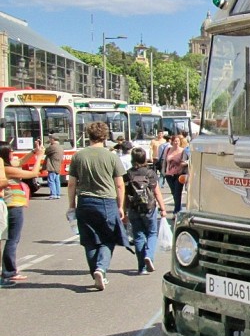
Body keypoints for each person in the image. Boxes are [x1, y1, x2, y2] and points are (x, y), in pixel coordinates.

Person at [68, 121, 128, 291]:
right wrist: (120, 206)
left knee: (89, 240)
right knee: (108, 238)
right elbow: (119, 185)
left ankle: (95, 270)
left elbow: (72, 184)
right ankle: (101, 269)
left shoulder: (78, 156)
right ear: (105, 136)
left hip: (85, 202)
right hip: (106, 202)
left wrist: (72, 205)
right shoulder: (111, 156)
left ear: (88, 135)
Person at [0, 141, 44, 285]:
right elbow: (33, 173)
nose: (13, 154)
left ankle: (9, 270)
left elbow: (20, 161)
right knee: (12, 239)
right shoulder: (7, 169)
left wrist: (34, 152)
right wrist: (40, 157)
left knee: (12, 238)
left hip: (14, 204)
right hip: (12, 204)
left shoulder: (7, 166)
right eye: (11, 152)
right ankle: (9, 271)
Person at [124, 146, 166, 274]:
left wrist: (124, 211)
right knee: (152, 233)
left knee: (138, 235)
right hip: (149, 208)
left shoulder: (128, 174)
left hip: (134, 208)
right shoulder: (150, 173)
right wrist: (163, 209)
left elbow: (125, 194)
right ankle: (149, 255)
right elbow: (157, 192)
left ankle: (142, 267)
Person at [162, 133, 189, 214]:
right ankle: (178, 208)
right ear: (172, 142)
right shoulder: (168, 150)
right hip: (169, 174)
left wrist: (183, 166)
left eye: (177, 141)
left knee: (177, 193)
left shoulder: (183, 150)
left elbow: (186, 161)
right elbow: (164, 161)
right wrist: (163, 171)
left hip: (179, 174)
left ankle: (176, 211)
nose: (176, 143)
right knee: (173, 193)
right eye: (175, 141)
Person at [44, 135, 64, 199]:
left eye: (50, 139)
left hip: (52, 166)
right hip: (58, 166)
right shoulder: (60, 147)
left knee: (51, 180)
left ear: (52, 139)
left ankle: (53, 194)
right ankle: (58, 194)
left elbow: (46, 151)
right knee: (57, 181)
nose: (49, 140)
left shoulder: (53, 147)